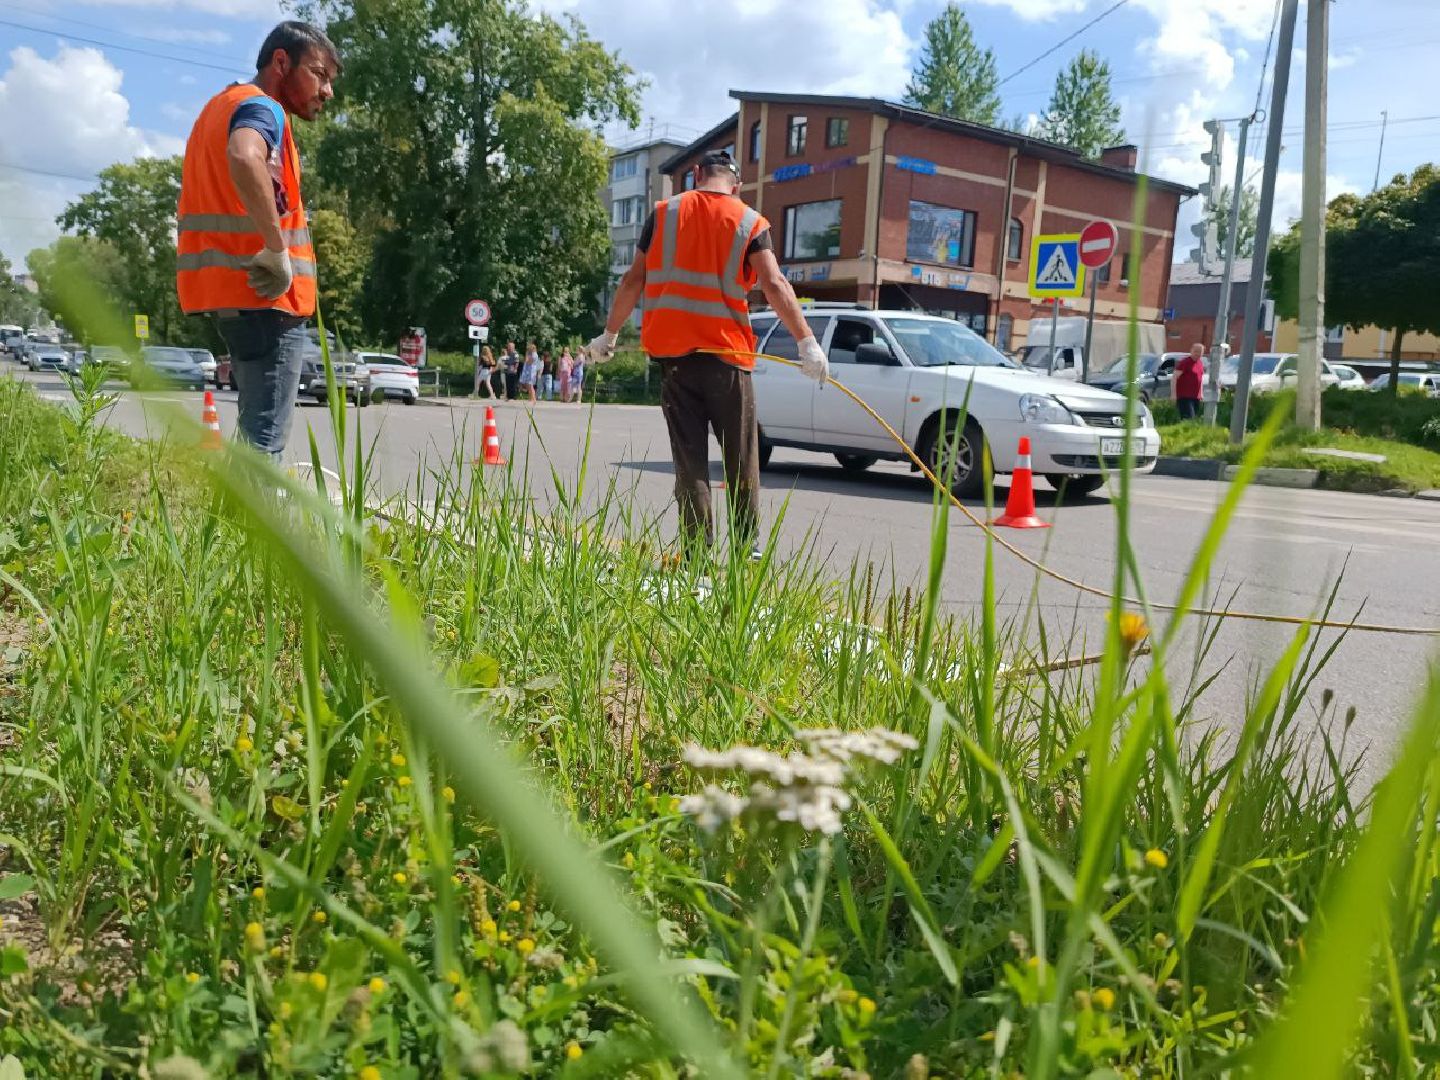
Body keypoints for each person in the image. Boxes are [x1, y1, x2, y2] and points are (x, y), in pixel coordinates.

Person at [589, 149, 826, 557]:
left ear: (696, 174)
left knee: (690, 461)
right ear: (736, 185)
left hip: (675, 362)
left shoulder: (663, 214)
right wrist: (807, 342)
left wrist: (608, 335)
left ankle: (697, 556)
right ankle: (746, 551)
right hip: (727, 358)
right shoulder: (749, 220)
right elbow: (774, 283)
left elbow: (633, 280)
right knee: (741, 457)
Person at [175, 21, 340, 461]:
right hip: (270, 301)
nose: (327, 92)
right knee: (265, 443)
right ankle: (252, 531)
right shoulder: (262, 109)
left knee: (252, 435)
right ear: (281, 63)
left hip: (232, 299)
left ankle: (228, 528)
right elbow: (244, 155)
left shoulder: (218, 107)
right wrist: (275, 247)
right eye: (319, 74)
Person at [1175, 342, 1205, 420]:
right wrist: (1173, 394)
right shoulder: (1185, 362)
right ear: (1191, 351)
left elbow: (1200, 379)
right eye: (1196, 351)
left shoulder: (1200, 363)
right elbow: (1174, 377)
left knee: (1194, 418)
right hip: (1184, 396)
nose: (1197, 354)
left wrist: (1201, 393)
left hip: (1196, 397)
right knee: (1188, 418)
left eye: (1200, 352)